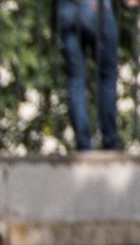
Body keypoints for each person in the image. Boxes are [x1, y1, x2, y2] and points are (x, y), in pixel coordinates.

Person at [54, 0, 134, 151]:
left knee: (75, 78)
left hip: (66, 11)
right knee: (107, 77)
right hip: (96, 8)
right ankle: (110, 140)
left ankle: (83, 144)